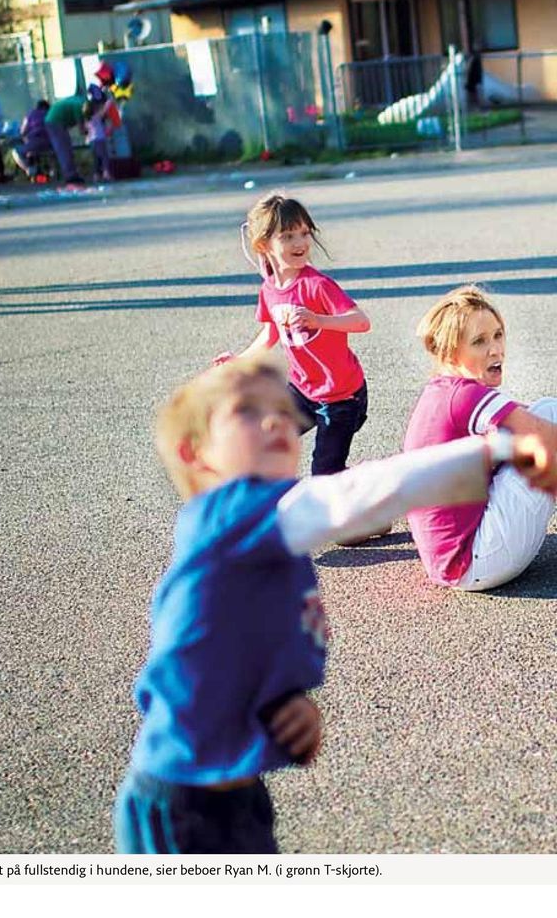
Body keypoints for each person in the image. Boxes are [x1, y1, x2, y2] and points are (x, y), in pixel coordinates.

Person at [114, 354, 555, 855]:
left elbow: (225, 654)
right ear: (194, 453)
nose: (276, 419)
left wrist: (287, 704)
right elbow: (350, 495)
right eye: (246, 411)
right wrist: (493, 451)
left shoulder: (265, 541)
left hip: (236, 789)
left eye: (282, 408)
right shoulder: (228, 518)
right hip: (180, 807)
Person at [403, 284, 557, 591]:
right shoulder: (465, 395)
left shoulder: (441, 393)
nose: (496, 349)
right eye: (479, 341)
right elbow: (545, 434)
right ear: (450, 350)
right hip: (478, 558)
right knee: (550, 414)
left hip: (456, 563)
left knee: (538, 421)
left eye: (498, 335)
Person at [219, 193, 371, 478]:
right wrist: (239, 360)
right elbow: (269, 334)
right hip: (302, 391)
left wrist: (319, 320)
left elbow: (361, 322)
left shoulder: (318, 285)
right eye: (288, 236)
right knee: (263, 440)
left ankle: (367, 484)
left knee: (325, 472)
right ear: (263, 244)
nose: (300, 243)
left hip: (341, 397)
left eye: (304, 233)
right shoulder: (270, 289)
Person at [42, 95, 86, 185]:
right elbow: (81, 129)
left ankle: (71, 173)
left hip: (54, 120)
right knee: (64, 149)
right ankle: (70, 176)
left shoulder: (79, 103)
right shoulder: (79, 107)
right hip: (55, 122)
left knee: (66, 148)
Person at [10, 99, 53, 180]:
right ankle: (43, 173)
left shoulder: (31, 114)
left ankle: (29, 170)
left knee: (16, 151)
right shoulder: (50, 114)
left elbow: (23, 131)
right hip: (50, 144)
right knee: (31, 151)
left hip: (35, 142)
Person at [84, 88, 113, 181]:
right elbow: (104, 111)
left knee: (96, 158)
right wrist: (109, 101)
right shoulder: (96, 117)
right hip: (99, 139)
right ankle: (106, 173)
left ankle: (96, 175)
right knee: (104, 157)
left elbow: (87, 130)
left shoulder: (87, 119)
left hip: (92, 140)